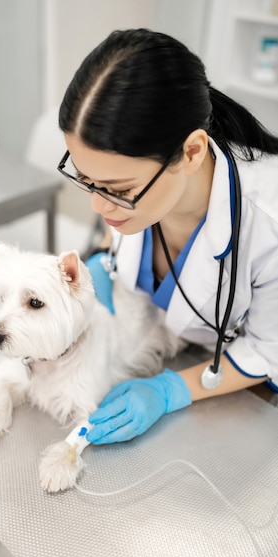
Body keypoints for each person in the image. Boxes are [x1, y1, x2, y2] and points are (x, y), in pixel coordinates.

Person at [56, 28, 278, 445]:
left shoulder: (269, 222)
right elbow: (115, 224)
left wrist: (169, 390)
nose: (99, 206)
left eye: (118, 190)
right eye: (86, 180)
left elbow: (269, 352)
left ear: (192, 152)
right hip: (175, 346)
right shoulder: (143, 184)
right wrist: (102, 260)